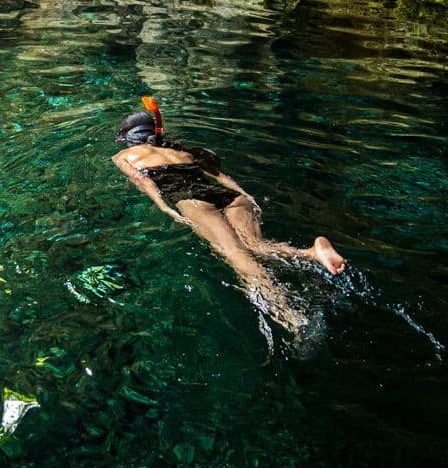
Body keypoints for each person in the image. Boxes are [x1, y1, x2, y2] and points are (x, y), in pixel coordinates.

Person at [112, 97, 345, 334]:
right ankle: (312, 253)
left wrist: (164, 207)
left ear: (128, 138)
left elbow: (142, 182)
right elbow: (220, 176)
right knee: (255, 246)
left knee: (235, 255)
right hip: (231, 197)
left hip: (193, 200)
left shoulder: (123, 156)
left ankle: (292, 319)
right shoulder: (179, 150)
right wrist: (246, 195)